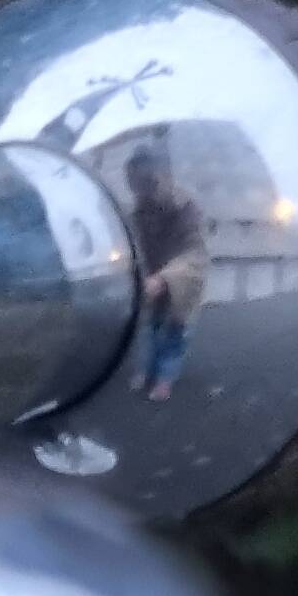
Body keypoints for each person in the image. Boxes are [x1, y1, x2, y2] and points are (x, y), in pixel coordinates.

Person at [125, 140, 209, 403]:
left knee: (175, 331)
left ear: (162, 175)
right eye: (136, 182)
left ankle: (165, 378)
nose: (142, 190)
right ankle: (147, 370)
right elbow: (132, 248)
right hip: (150, 279)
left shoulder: (187, 207)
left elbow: (196, 253)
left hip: (180, 280)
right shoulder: (137, 212)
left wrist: (165, 278)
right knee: (149, 329)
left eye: (147, 180)